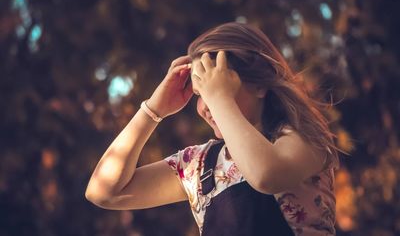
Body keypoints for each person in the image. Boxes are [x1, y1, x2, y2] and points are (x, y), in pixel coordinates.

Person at [85, 22, 343, 235]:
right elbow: (105, 192)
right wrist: (153, 110)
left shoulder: (300, 138)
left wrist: (221, 99)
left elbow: (266, 176)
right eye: (200, 94)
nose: (208, 105)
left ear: (261, 85)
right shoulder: (200, 165)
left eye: (217, 88)